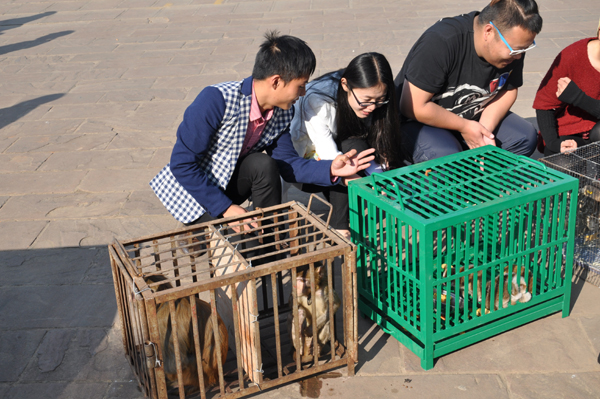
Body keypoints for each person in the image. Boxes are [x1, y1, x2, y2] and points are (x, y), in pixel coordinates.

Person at [149, 31, 375, 229]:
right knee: (215, 240)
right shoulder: (216, 100)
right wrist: (226, 208)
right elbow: (182, 164)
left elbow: (288, 164)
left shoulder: (282, 112)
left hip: (230, 184)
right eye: (300, 85)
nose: (304, 92)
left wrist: (331, 169)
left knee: (262, 164)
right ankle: (198, 231)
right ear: (276, 81)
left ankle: (265, 255)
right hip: (193, 193)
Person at [395, 0, 542, 164]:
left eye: (524, 49)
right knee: (447, 158)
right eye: (516, 50)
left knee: (524, 138)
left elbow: (509, 89)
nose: (518, 56)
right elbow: (412, 106)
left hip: (472, 116)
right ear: (489, 32)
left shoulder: (513, 46)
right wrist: (464, 127)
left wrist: (483, 131)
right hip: (420, 122)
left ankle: (479, 178)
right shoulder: (442, 41)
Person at [288, 52, 403, 237]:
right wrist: (363, 183)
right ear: (345, 85)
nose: (372, 108)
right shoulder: (318, 102)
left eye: (379, 100)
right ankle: (340, 229)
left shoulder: (372, 98)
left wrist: (380, 171)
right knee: (345, 165)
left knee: (355, 152)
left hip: (341, 148)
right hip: (306, 162)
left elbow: (375, 138)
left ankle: (351, 217)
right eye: (365, 101)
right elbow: (329, 155)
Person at [533, 19, 600, 156]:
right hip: (567, 132)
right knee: (562, 167)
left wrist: (578, 98)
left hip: (596, 132)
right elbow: (544, 104)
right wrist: (553, 143)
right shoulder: (572, 55)